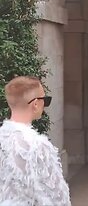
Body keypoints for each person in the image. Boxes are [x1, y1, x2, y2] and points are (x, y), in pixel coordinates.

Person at [0, 76, 71, 205]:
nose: (45, 104)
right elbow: (59, 196)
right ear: (36, 104)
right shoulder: (37, 145)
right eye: (45, 99)